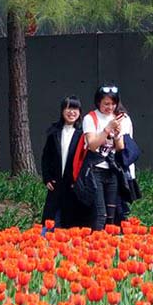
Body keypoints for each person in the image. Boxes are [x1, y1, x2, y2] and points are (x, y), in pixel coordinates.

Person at [81, 83, 135, 230]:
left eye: (113, 104)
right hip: (95, 170)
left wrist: (117, 135)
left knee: (112, 214)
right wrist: (107, 129)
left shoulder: (119, 118)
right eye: (106, 103)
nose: (110, 107)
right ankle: (96, 245)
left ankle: (109, 247)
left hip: (112, 170)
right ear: (98, 102)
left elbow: (120, 147)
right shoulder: (90, 118)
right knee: (101, 214)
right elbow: (92, 145)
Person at [40, 96, 85, 231]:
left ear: (79, 112)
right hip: (56, 183)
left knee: (72, 220)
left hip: (73, 184)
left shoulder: (83, 134)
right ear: (62, 111)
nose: (72, 112)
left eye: (75, 108)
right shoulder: (54, 132)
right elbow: (46, 157)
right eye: (68, 108)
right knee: (51, 218)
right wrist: (47, 177)